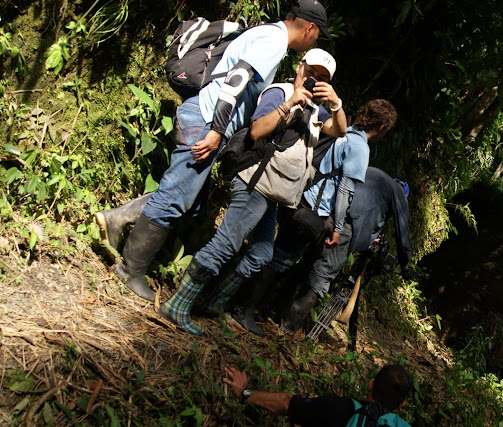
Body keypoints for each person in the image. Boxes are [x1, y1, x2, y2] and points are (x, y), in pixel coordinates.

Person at [95, 1, 332, 302]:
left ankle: (117, 219)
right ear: (309, 28)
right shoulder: (274, 41)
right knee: (175, 197)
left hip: (205, 117)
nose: (314, 40)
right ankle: (130, 269)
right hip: (207, 120)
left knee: (189, 199)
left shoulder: (266, 33)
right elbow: (236, 80)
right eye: (317, 35)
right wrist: (217, 130)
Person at [159, 48, 347, 335]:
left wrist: (336, 104)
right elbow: (258, 131)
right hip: (255, 182)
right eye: (311, 72)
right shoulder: (280, 93)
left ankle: (213, 305)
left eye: (321, 78)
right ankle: (177, 304)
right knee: (225, 243)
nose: (313, 80)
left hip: (273, 191)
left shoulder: (316, 111)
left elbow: (341, 130)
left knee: (261, 252)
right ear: (299, 67)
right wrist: (292, 102)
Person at [232, 101, 398, 336]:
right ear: (382, 127)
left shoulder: (343, 132)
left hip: (299, 200)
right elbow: (345, 190)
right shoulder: (360, 147)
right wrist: (338, 227)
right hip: (313, 210)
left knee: (279, 256)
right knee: (281, 260)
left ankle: (248, 306)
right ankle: (244, 309)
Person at [283, 166, 414, 333]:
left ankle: (276, 306)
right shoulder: (398, 193)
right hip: (346, 226)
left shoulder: (374, 174)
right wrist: (405, 264)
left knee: (307, 261)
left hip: (325, 211)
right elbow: (402, 230)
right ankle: (290, 327)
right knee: (323, 273)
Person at [223, 363, 412, 427]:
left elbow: (286, 403)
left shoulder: (338, 407)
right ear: (401, 404)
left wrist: (244, 392)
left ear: (370, 384)